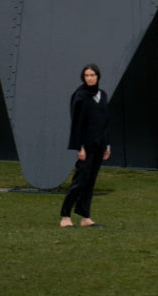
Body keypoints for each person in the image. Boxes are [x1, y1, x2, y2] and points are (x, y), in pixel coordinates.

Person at [59, 63, 111, 227]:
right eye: (86, 75)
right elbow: (76, 123)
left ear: (97, 77)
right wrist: (79, 146)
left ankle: (84, 216)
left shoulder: (102, 95)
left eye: (92, 75)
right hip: (86, 145)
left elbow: (105, 122)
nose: (89, 78)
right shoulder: (80, 96)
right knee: (80, 180)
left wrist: (107, 145)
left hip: (100, 144)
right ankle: (65, 216)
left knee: (90, 181)